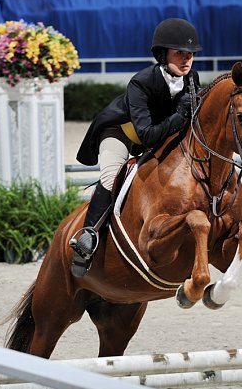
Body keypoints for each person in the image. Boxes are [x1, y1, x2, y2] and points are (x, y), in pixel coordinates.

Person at [69, 18, 202, 277]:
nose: (186, 60)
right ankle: (87, 240)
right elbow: (147, 135)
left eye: (190, 54)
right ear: (163, 55)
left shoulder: (192, 78)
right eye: (180, 54)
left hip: (157, 134)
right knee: (110, 177)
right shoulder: (141, 82)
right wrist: (180, 114)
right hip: (122, 133)